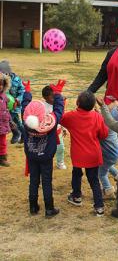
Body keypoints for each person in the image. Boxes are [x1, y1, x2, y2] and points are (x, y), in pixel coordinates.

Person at [60, 91, 108, 217]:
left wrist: (62, 103)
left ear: (77, 103)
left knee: (76, 173)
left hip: (78, 154)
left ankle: (76, 196)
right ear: (93, 105)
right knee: (93, 180)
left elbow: (60, 118)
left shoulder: (71, 116)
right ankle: (99, 207)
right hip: (93, 153)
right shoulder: (97, 116)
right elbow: (104, 134)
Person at [22, 80, 65, 217]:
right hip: (46, 156)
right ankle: (49, 208)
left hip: (32, 155)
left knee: (34, 180)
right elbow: (59, 109)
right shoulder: (50, 122)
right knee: (47, 181)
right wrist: (57, 93)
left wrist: (27, 91)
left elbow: (24, 106)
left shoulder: (26, 121)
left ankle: (33, 207)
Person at [98, 102, 118, 199]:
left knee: (101, 173)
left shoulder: (105, 127)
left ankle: (108, 191)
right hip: (114, 153)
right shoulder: (113, 125)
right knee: (107, 165)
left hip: (108, 154)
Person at [42, 86, 67, 170]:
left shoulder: (57, 104)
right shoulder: (42, 107)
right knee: (47, 150)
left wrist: (63, 128)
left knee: (61, 148)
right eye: (52, 97)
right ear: (45, 98)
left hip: (58, 131)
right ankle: (45, 164)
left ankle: (60, 162)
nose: (54, 99)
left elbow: (61, 117)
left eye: (55, 96)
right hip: (47, 134)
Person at [0, 60, 25, 144]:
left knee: (11, 120)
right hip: (4, 105)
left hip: (15, 106)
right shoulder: (1, 80)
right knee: (16, 121)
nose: (3, 74)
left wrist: (18, 100)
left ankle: (17, 134)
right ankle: (23, 135)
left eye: (4, 72)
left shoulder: (17, 80)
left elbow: (22, 91)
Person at [0, 72, 12, 166]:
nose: (0, 86)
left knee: (3, 142)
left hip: (3, 124)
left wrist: (10, 120)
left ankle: (2, 158)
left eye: (1, 84)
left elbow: (7, 110)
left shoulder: (5, 97)